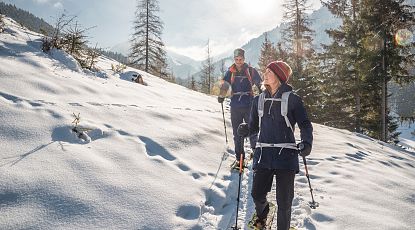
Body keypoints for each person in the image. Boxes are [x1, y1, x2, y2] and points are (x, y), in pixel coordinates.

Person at [237, 60, 313, 229]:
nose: (265, 74)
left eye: (269, 72)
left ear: (279, 77)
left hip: (286, 156)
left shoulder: (293, 100)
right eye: (266, 71)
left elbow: (305, 124)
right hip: (264, 155)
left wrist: (307, 142)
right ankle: (263, 213)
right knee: (257, 195)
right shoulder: (258, 100)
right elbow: (253, 126)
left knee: (284, 202)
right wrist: (246, 130)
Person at [218, 48, 262, 170]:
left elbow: (260, 84)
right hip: (235, 106)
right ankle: (239, 158)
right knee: (237, 134)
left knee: (252, 130)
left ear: (244, 59)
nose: (238, 61)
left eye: (240, 59)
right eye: (236, 59)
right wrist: (221, 95)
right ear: (234, 59)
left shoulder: (251, 71)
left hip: (249, 105)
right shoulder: (230, 71)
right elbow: (225, 85)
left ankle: (256, 153)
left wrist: (264, 94)